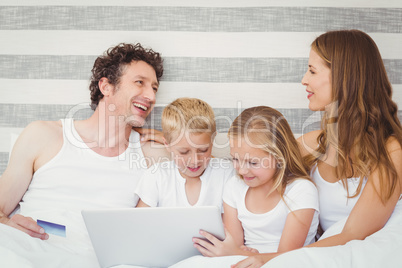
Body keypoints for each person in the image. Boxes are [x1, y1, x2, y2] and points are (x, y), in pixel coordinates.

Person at [233, 29, 402, 267]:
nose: (304, 79)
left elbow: (353, 234)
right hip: (324, 253)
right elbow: (252, 166)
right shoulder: (311, 144)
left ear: (346, 77)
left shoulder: (390, 151)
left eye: (312, 71)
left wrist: (268, 259)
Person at [0, 43, 164, 240]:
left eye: (154, 88)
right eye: (140, 82)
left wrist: (177, 142)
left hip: (97, 255)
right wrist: (8, 224)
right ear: (106, 87)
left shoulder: (152, 154)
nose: (151, 96)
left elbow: (201, 172)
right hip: (30, 246)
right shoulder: (43, 135)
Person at [192, 106, 319, 257]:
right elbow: (234, 247)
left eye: (253, 163)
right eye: (235, 159)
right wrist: (234, 252)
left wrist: (243, 255)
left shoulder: (301, 190)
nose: (242, 170)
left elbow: (287, 257)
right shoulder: (234, 187)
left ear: (279, 158)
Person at [136, 97, 234, 210]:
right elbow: (139, 222)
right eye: (184, 152)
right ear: (166, 144)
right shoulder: (157, 176)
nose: (195, 161)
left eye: (203, 150)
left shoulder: (227, 174)